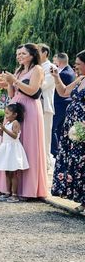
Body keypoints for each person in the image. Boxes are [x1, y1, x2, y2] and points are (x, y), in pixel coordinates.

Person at [0, 43, 48, 198]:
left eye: (23, 54)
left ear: (32, 55)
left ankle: (28, 189)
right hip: (16, 105)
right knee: (11, 144)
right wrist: (8, 83)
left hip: (30, 108)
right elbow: (12, 94)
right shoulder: (18, 71)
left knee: (28, 145)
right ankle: (9, 188)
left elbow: (33, 90)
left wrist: (15, 81)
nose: (19, 56)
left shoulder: (37, 70)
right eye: (18, 54)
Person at [50, 50, 85, 212]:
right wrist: (56, 77)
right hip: (72, 127)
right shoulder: (80, 79)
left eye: (78, 64)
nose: (75, 67)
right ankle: (82, 200)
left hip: (82, 126)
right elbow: (63, 92)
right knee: (75, 162)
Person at [0, 103, 29, 203]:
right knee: (7, 172)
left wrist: (4, 129)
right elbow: (3, 135)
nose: (6, 115)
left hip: (13, 149)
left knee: (13, 172)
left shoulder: (15, 123)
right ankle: (7, 192)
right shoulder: (7, 123)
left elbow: (15, 136)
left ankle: (14, 194)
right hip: (6, 148)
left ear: (15, 114)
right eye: (5, 113)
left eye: (8, 113)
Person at [52, 52, 76, 156]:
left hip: (59, 104)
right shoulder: (71, 71)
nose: (54, 62)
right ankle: (60, 150)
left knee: (52, 128)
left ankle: (54, 151)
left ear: (59, 60)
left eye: (55, 60)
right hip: (65, 104)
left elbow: (60, 90)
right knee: (60, 129)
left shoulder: (63, 74)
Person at [38, 43, 57, 171]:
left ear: (45, 53)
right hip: (34, 106)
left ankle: (45, 164)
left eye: (37, 51)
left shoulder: (51, 68)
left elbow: (44, 85)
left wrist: (31, 80)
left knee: (45, 137)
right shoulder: (35, 67)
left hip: (45, 106)